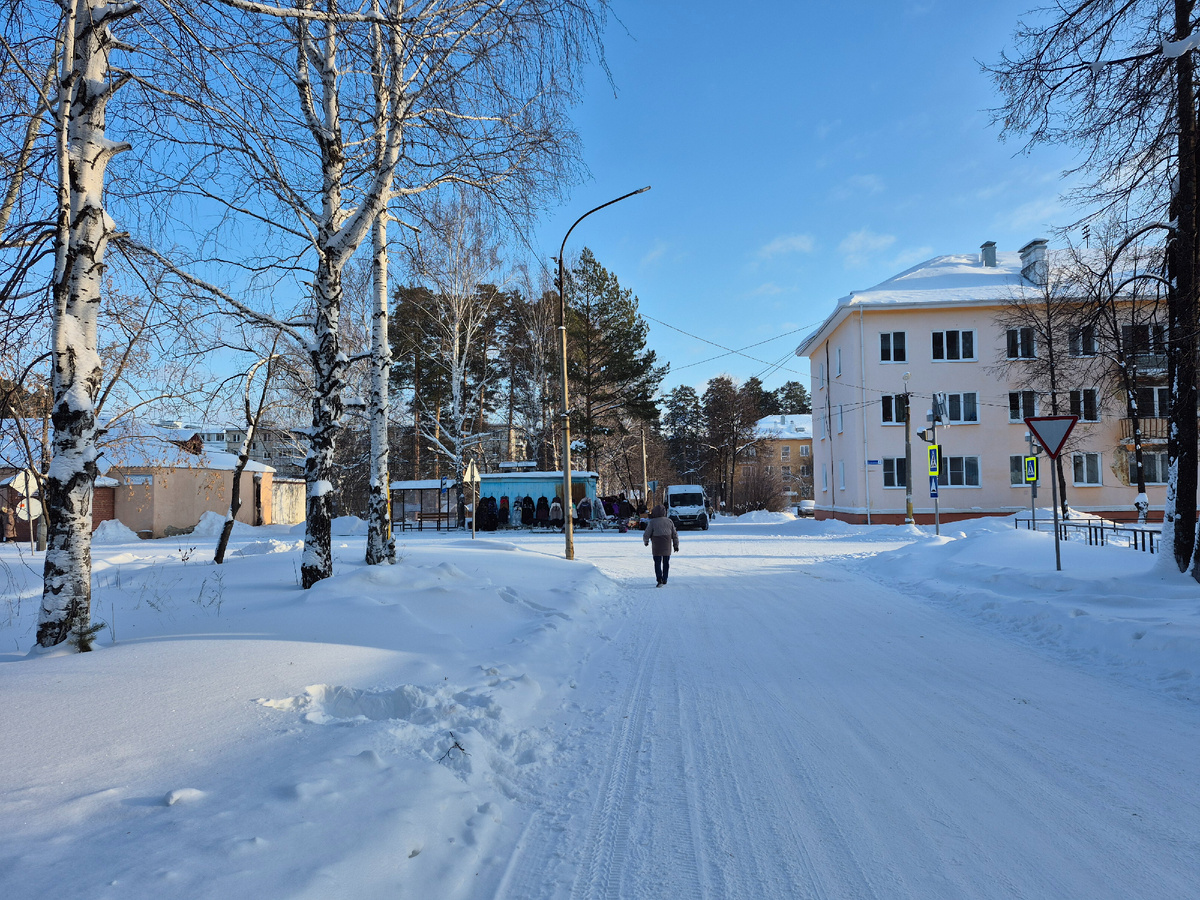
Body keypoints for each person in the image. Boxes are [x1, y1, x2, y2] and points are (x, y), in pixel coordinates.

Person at [642, 504, 679, 587]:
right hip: (667, 544)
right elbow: (674, 534)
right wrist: (675, 545)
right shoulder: (669, 521)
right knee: (666, 562)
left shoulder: (652, 522)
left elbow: (646, 534)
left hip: (656, 545)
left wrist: (646, 542)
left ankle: (659, 579)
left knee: (657, 562)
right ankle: (665, 578)